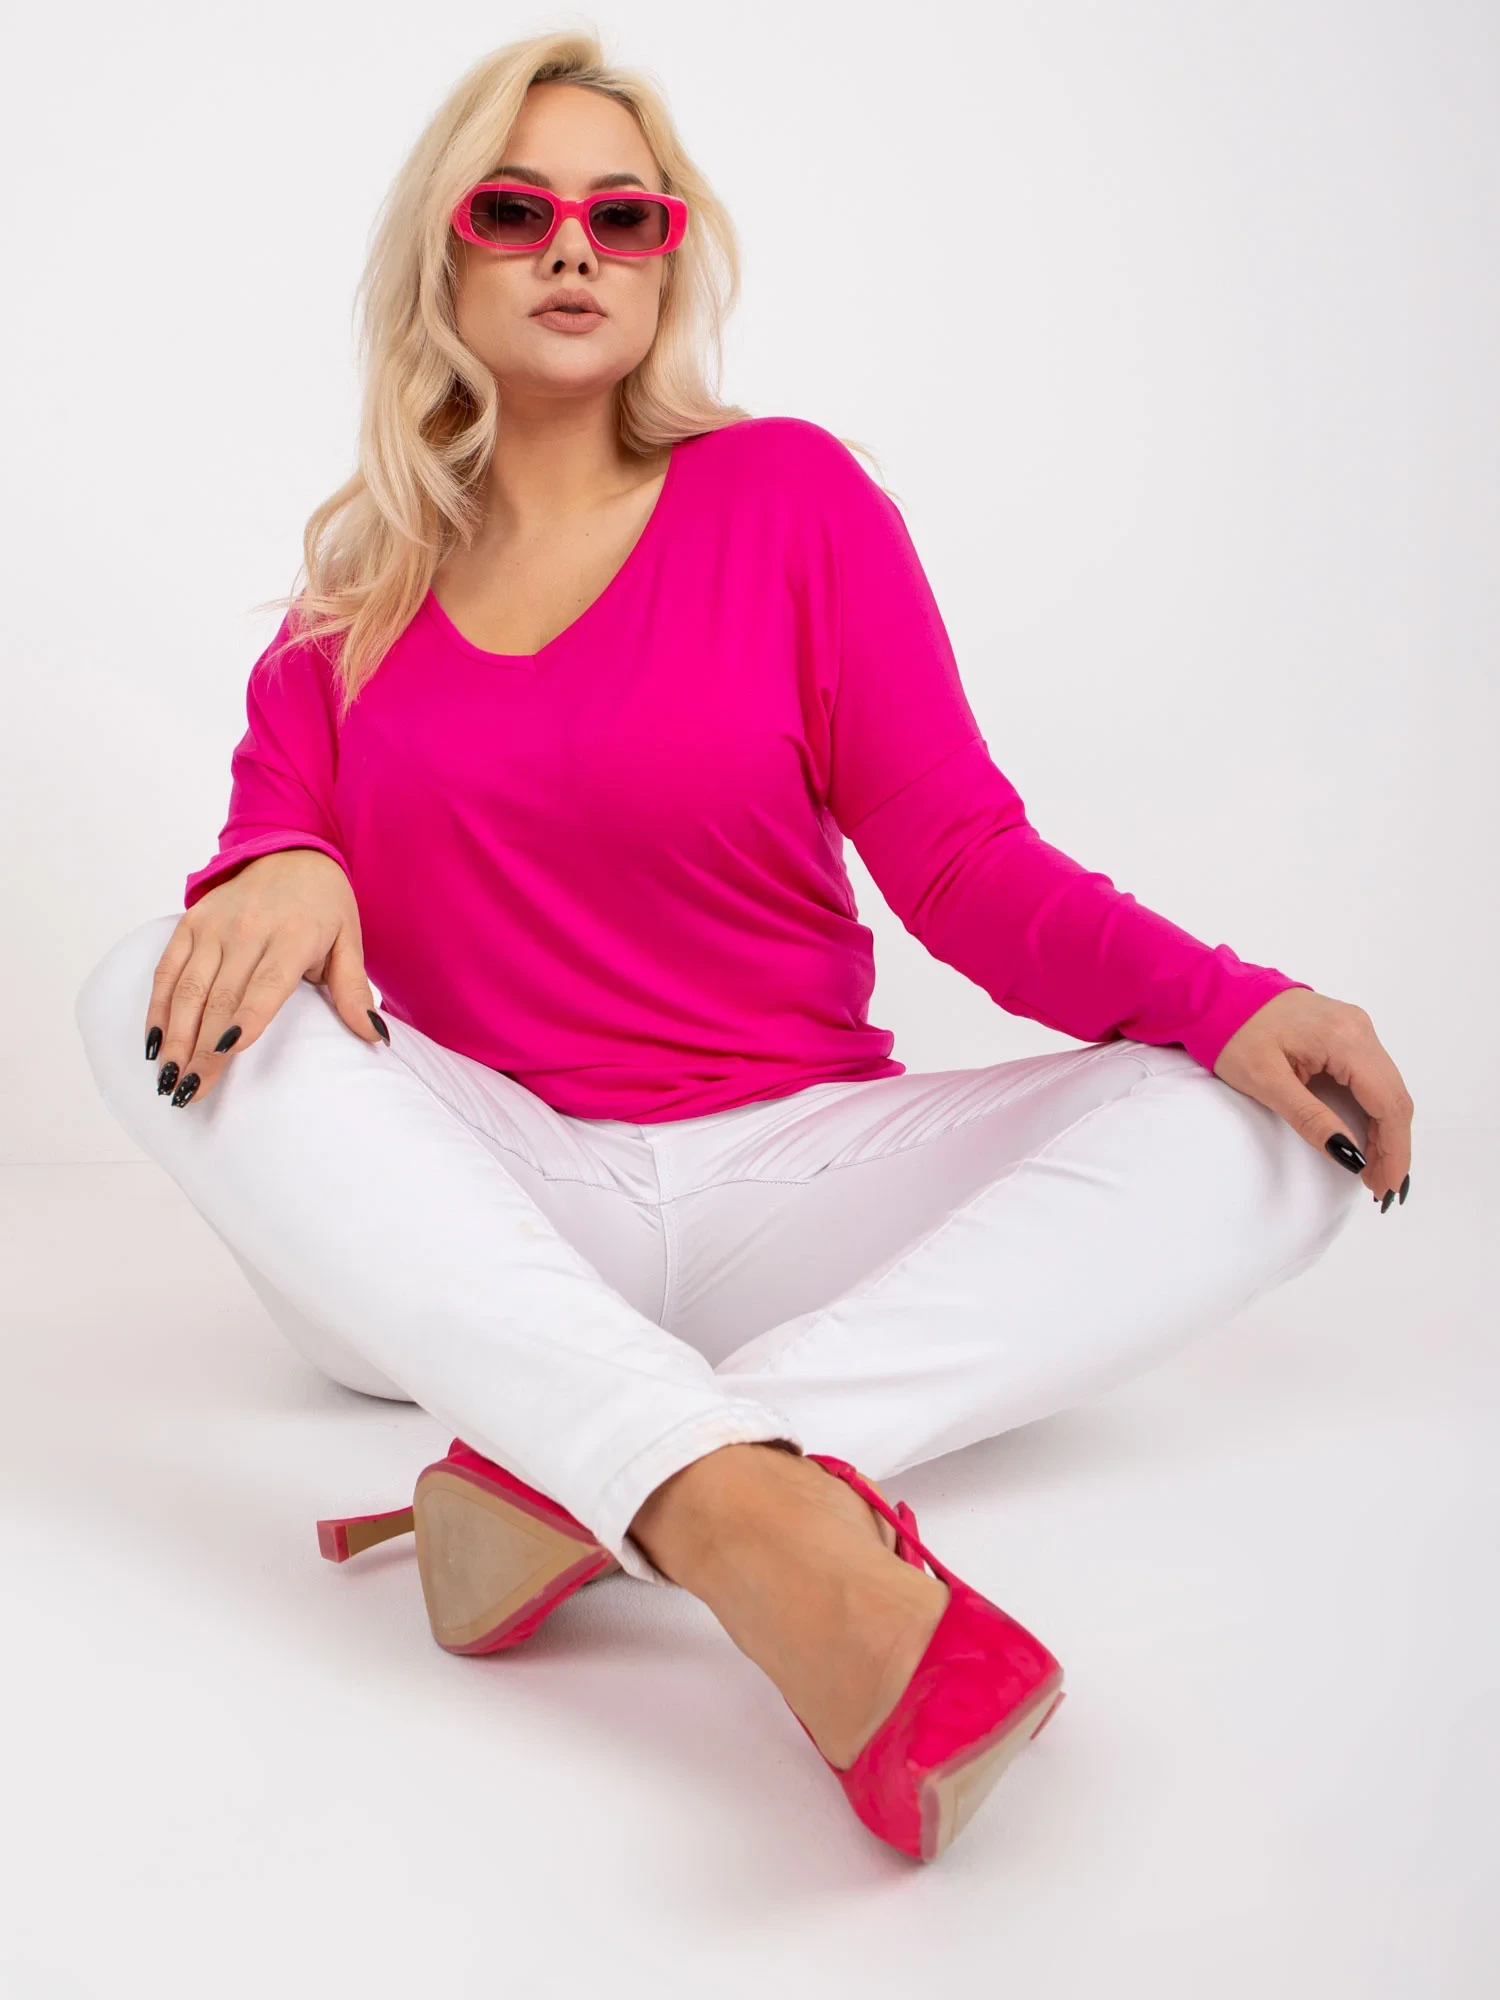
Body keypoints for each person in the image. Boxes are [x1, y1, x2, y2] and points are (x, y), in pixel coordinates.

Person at [73, 30, 1413, 1864]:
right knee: (136, 987)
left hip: (789, 1180)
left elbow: (962, 861)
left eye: (623, 215)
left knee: (1267, 1134)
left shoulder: (788, 500)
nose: (573, 246)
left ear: (668, 253)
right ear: (444, 254)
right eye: (515, 209)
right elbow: (250, 899)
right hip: (486, 1204)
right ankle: (732, 1506)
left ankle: (587, 1474)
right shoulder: (346, 606)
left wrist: (1228, 999)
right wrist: (280, 860)